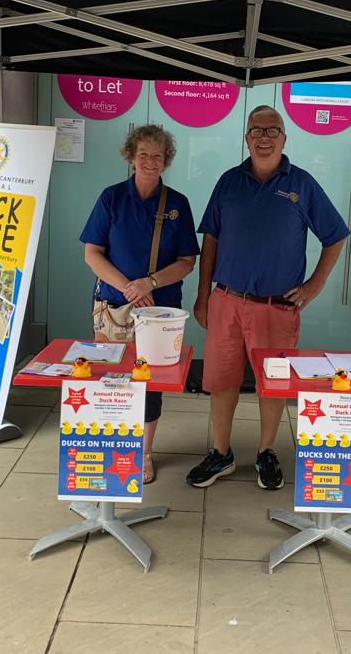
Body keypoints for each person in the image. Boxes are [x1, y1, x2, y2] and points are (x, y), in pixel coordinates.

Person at [186, 105, 349, 490]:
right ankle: (220, 454)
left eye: (271, 130)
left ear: (284, 138)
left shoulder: (302, 185)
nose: (263, 137)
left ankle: (265, 453)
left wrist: (315, 285)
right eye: (256, 130)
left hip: (276, 308)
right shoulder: (228, 182)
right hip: (226, 301)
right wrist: (203, 294)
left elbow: (336, 235)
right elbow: (210, 238)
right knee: (222, 381)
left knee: (272, 383)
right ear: (246, 138)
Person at [80, 124, 199, 484]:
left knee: (150, 383)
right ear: (131, 157)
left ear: (167, 161)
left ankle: (144, 454)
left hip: (160, 313)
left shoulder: (177, 204)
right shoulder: (111, 198)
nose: (150, 161)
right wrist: (129, 288)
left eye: (157, 156)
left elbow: (187, 261)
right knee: (113, 379)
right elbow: (92, 254)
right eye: (143, 154)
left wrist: (150, 283)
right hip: (113, 308)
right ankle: (115, 444)